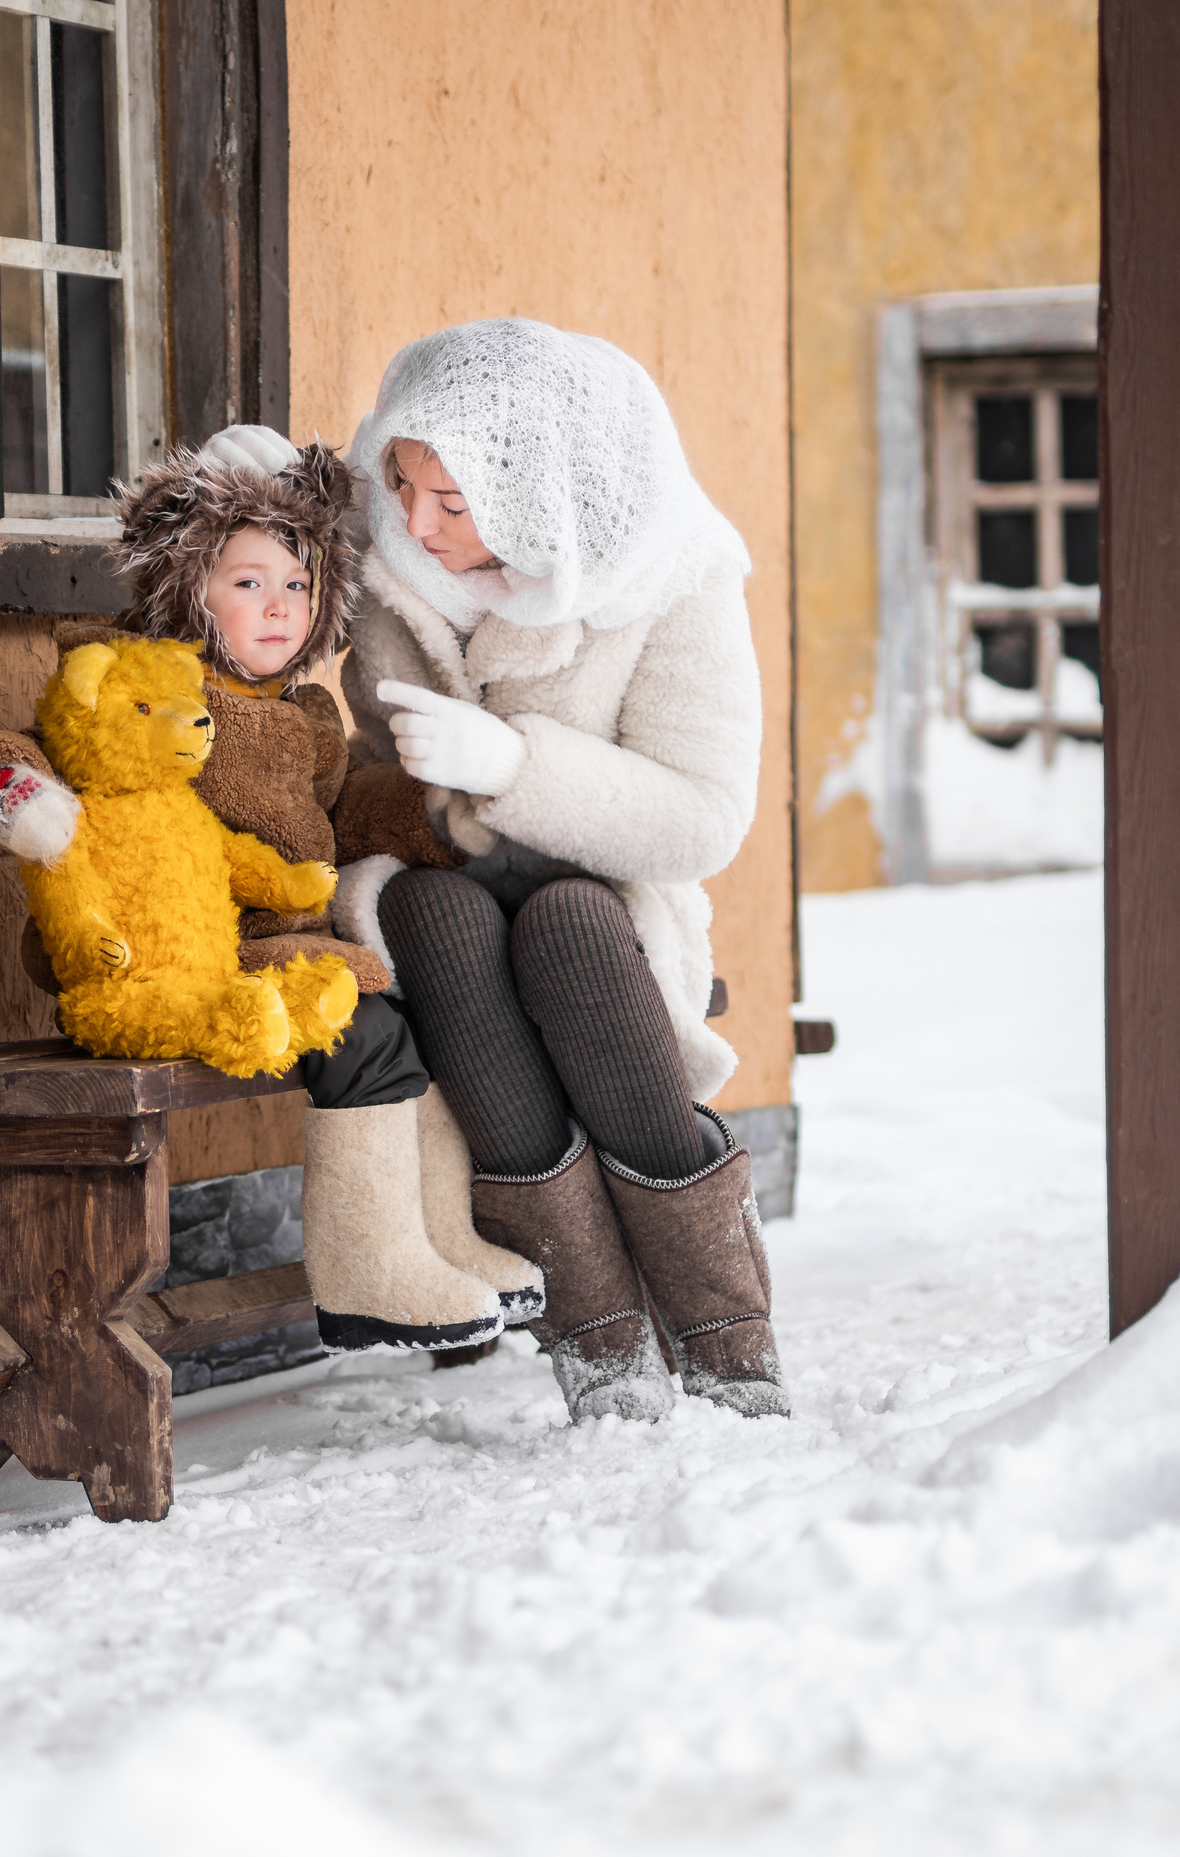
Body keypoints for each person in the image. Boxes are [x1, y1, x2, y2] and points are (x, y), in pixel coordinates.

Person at [204, 319, 785, 1423]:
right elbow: (286, 525)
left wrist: (517, 767)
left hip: (607, 888)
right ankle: (599, 1346)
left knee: (566, 925)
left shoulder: (670, 573)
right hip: (432, 854)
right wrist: (249, 483)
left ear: (541, 498)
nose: (415, 522)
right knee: (431, 916)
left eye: (453, 502)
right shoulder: (393, 526)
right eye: (401, 481)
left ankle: (727, 1344)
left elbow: (706, 814)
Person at [0, 443, 544, 1356]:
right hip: (173, 959)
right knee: (363, 1029)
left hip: (279, 936)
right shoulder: (138, 682)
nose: (279, 606)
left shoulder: (306, 718)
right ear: (190, 584)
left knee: (414, 1011)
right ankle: (368, 1270)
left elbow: (345, 811)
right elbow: (30, 743)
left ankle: (438, 1240)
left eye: (298, 585)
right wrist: (10, 793)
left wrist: (437, 811)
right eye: (249, 582)